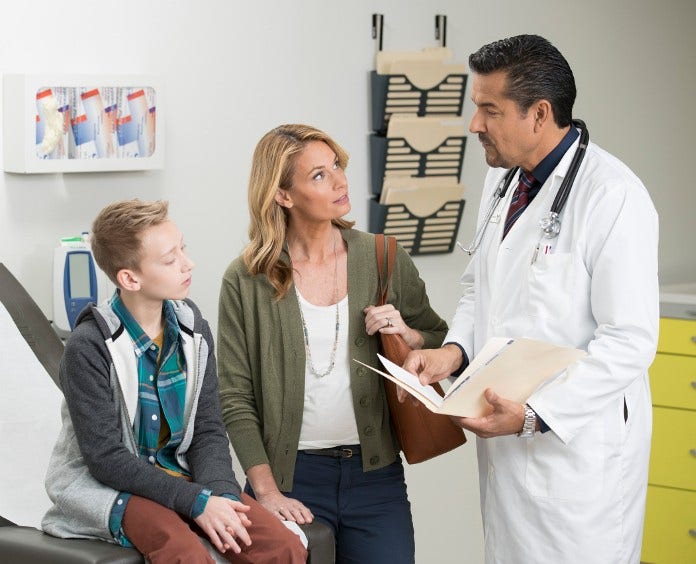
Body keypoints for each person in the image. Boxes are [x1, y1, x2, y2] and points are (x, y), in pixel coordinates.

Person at [403, 35, 659, 564]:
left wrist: (534, 414)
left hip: (577, 456)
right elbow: (480, 288)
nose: (474, 125)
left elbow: (630, 341)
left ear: (539, 114)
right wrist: (453, 353)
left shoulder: (613, 196)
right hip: (507, 444)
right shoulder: (501, 183)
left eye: (488, 110)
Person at [217, 124, 448, 563]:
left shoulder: (382, 257)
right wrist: (265, 491)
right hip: (291, 478)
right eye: (319, 175)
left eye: (337, 165)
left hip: (375, 477)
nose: (340, 180)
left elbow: (439, 339)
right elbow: (234, 397)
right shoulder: (246, 280)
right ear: (283, 195)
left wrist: (406, 333)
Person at [42, 199, 307, 564]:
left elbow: (208, 430)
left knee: (282, 546)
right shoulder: (88, 348)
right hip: (112, 486)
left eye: (183, 247)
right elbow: (106, 460)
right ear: (130, 278)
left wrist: (222, 497)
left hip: (179, 475)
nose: (188, 263)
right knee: (184, 552)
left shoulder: (193, 330)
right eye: (170, 259)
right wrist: (197, 503)